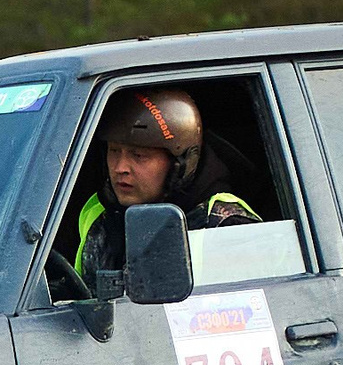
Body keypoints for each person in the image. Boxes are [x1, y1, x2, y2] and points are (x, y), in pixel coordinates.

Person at [73, 88, 261, 286]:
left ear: (179, 165)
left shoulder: (226, 226)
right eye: (114, 151)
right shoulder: (98, 211)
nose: (120, 168)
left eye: (139, 156)